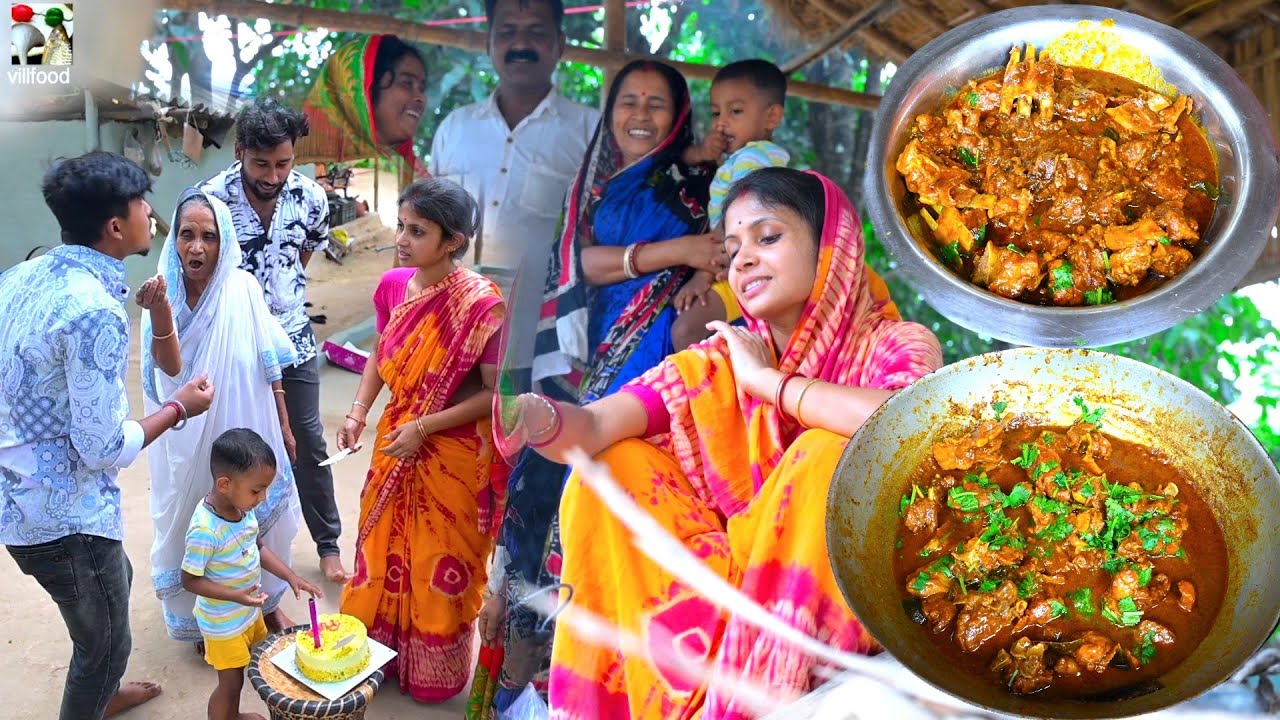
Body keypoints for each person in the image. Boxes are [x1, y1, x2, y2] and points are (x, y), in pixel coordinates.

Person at [509, 168, 945, 718]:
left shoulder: (897, 344)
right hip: (727, 586)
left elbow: (904, 425)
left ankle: (759, 679)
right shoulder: (722, 359)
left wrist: (770, 384)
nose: (741, 261)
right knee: (612, 465)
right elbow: (595, 427)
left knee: (824, 456)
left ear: (832, 247)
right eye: (733, 247)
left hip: (835, 597)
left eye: (768, 237)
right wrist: (532, 414)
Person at [477, 59, 724, 715]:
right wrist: (679, 252)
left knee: (604, 529)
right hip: (566, 367)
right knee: (535, 515)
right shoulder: (588, 187)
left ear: (680, 119)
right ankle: (512, 692)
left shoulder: (700, 192)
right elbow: (569, 265)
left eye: (657, 104)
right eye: (628, 101)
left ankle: (578, 690)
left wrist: (701, 271)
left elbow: (716, 274)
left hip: (643, 379)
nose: (640, 115)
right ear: (610, 111)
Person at [0, 151, 216, 720]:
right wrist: (178, 408)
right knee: (107, 642)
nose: (152, 212)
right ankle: (94, 695)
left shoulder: (22, 275)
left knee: (112, 579)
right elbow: (103, 448)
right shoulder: (93, 310)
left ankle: (103, 692)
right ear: (116, 226)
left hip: (18, 500)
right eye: (142, 203)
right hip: (64, 516)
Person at [335, 179, 507, 703]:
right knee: (377, 549)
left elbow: (495, 393)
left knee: (439, 567)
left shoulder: (481, 305)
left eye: (418, 231)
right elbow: (382, 356)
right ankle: (376, 652)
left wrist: (425, 428)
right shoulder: (392, 287)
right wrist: (359, 411)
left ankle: (431, 671)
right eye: (402, 226)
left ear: (453, 241)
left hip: (448, 455)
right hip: (395, 443)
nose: (403, 239)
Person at [138, 187, 305, 647]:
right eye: (186, 235)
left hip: (248, 421)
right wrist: (160, 314)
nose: (196, 247)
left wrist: (285, 421)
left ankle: (267, 606)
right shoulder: (162, 291)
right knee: (199, 514)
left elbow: (270, 359)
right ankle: (205, 618)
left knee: (257, 509)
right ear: (173, 240)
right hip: (187, 431)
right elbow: (169, 372)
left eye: (208, 236)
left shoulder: (242, 287)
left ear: (224, 241)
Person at [202, 98, 349, 584]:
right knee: (239, 443)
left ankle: (327, 543)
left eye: (283, 163)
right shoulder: (211, 200)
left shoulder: (311, 198)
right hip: (233, 343)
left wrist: (278, 306)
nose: (272, 174)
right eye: (260, 163)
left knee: (304, 439)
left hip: (293, 338)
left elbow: (302, 259)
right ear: (240, 151)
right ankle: (236, 550)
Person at [430, 0, 598, 275]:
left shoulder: (590, 131)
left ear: (561, 43)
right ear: (488, 43)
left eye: (537, 32)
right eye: (507, 32)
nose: (521, 44)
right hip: (450, 303)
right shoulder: (454, 128)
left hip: (543, 309)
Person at [181, 428, 323, 720]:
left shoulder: (242, 509)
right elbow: (189, 580)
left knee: (242, 675)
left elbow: (257, 546)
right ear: (224, 484)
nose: (262, 498)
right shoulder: (205, 530)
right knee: (230, 685)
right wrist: (236, 595)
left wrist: (290, 576)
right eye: (256, 490)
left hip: (246, 611)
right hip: (223, 624)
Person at [672, 58, 792, 349]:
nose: (721, 122)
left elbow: (739, 225)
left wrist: (703, 275)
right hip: (739, 263)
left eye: (735, 111)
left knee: (686, 329)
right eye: (716, 113)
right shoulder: (743, 159)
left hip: (750, 267)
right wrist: (704, 152)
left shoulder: (757, 160)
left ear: (772, 117)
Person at [297, 34, 430, 183]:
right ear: (363, 90)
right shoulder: (297, 170)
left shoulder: (414, 176)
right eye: (407, 83)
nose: (421, 98)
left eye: (422, 88)